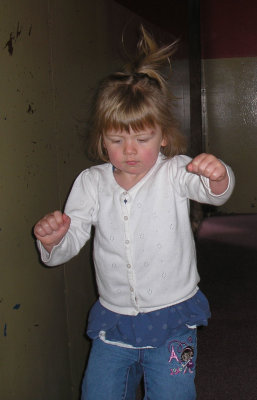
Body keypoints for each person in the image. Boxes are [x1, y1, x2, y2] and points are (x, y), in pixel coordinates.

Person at [34, 26, 235, 400]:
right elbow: (71, 238)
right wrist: (54, 240)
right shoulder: (91, 183)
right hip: (114, 325)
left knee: (174, 393)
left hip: (175, 320)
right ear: (101, 139)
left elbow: (213, 194)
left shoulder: (176, 171)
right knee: (98, 393)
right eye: (116, 140)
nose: (129, 150)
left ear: (163, 136)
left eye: (142, 139)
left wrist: (218, 176)